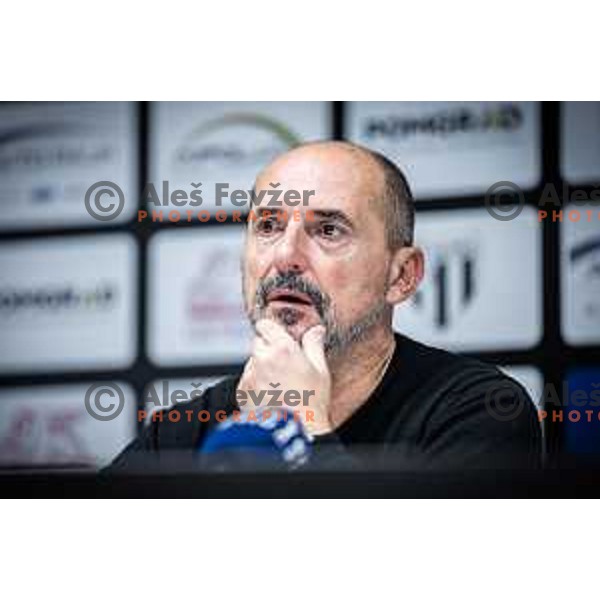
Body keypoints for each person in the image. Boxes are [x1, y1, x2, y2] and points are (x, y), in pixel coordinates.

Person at [111, 141, 541, 470]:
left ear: (401, 276)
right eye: (268, 226)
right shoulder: (178, 434)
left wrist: (304, 424)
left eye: (329, 230)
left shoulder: (478, 410)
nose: (285, 256)